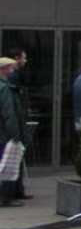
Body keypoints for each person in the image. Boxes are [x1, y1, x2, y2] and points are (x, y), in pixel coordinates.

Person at [7, 49, 33, 200]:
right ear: (16, 58)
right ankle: (13, 192)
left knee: (17, 158)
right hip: (15, 124)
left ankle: (18, 190)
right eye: (24, 58)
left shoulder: (16, 77)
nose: (25, 61)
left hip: (18, 122)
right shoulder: (12, 78)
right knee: (15, 158)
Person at [0, 57, 24, 206]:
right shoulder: (4, 88)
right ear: (3, 69)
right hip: (4, 134)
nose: (12, 70)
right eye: (10, 67)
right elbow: (9, 113)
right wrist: (15, 135)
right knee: (7, 166)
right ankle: (5, 197)